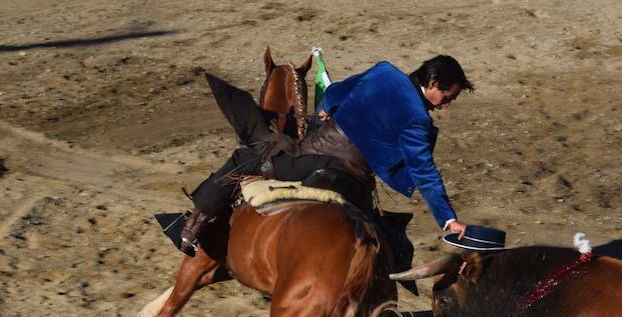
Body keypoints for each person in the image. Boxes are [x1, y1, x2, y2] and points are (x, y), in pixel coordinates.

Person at [178, 55, 473, 255]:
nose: (446, 105)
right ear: (433, 85)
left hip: (319, 156)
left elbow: (338, 91)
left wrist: (327, 107)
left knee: (244, 158)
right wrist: (447, 220)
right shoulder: (419, 119)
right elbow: (423, 170)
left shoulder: (384, 71)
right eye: (449, 97)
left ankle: (190, 226)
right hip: (357, 180)